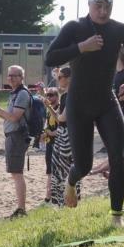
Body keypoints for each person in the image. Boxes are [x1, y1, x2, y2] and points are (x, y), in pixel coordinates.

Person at [44, 0, 124, 226]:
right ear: (89, 4)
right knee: (84, 164)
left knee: (119, 156)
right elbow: (50, 57)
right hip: (79, 105)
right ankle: (72, 180)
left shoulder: (120, 30)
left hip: (106, 101)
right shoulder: (74, 27)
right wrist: (81, 47)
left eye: (107, 6)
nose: (103, 11)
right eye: (98, 6)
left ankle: (116, 217)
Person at [0, 65, 34, 218]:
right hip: (13, 136)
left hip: (18, 136)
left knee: (17, 173)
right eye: (9, 75)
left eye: (15, 75)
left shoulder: (22, 94)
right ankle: (21, 208)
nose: (11, 78)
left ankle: (21, 209)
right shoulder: (15, 94)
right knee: (15, 173)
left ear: (21, 77)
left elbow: (14, 117)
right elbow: (9, 116)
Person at [50, 67, 76, 207]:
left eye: (60, 77)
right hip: (63, 135)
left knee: (65, 171)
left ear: (69, 78)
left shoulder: (72, 94)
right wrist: (48, 107)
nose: (58, 79)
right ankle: (62, 202)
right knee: (59, 171)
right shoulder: (66, 95)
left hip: (68, 137)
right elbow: (59, 117)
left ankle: (65, 202)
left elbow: (62, 118)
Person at [42, 87, 60, 203]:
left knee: (56, 171)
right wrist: (44, 133)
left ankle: (50, 197)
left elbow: (63, 127)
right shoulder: (49, 110)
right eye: (47, 95)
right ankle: (48, 196)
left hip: (58, 144)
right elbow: (47, 126)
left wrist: (50, 133)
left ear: (57, 96)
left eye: (51, 95)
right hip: (49, 144)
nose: (49, 97)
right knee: (49, 171)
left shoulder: (59, 109)